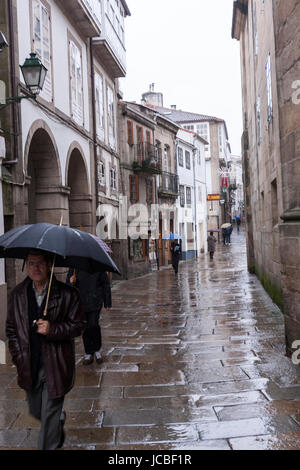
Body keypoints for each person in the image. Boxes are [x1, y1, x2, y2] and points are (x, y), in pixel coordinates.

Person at [6, 250, 85, 450]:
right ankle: (57, 421)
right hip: (28, 364)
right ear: (26, 265)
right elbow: (11, 329)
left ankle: (51, 432)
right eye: (31, 263)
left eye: (40, 263)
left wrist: (53, 329)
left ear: (49, 264)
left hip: (55, 364)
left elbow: (79, 325)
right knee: (36, 410)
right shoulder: (17, 295)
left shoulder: (68, 294)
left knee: (48, 417)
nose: (36, 268)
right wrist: (17, 355)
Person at [67, 268, 112, 366]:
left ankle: (97, 349)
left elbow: (105, 283)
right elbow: (68, 286)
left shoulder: (98, 265)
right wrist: (71, 282)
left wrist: (107, 302)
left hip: (95, 300)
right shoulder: (75, 266)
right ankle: (88, 352)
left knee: (93, 324)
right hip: (81, 301)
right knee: (85, 327)